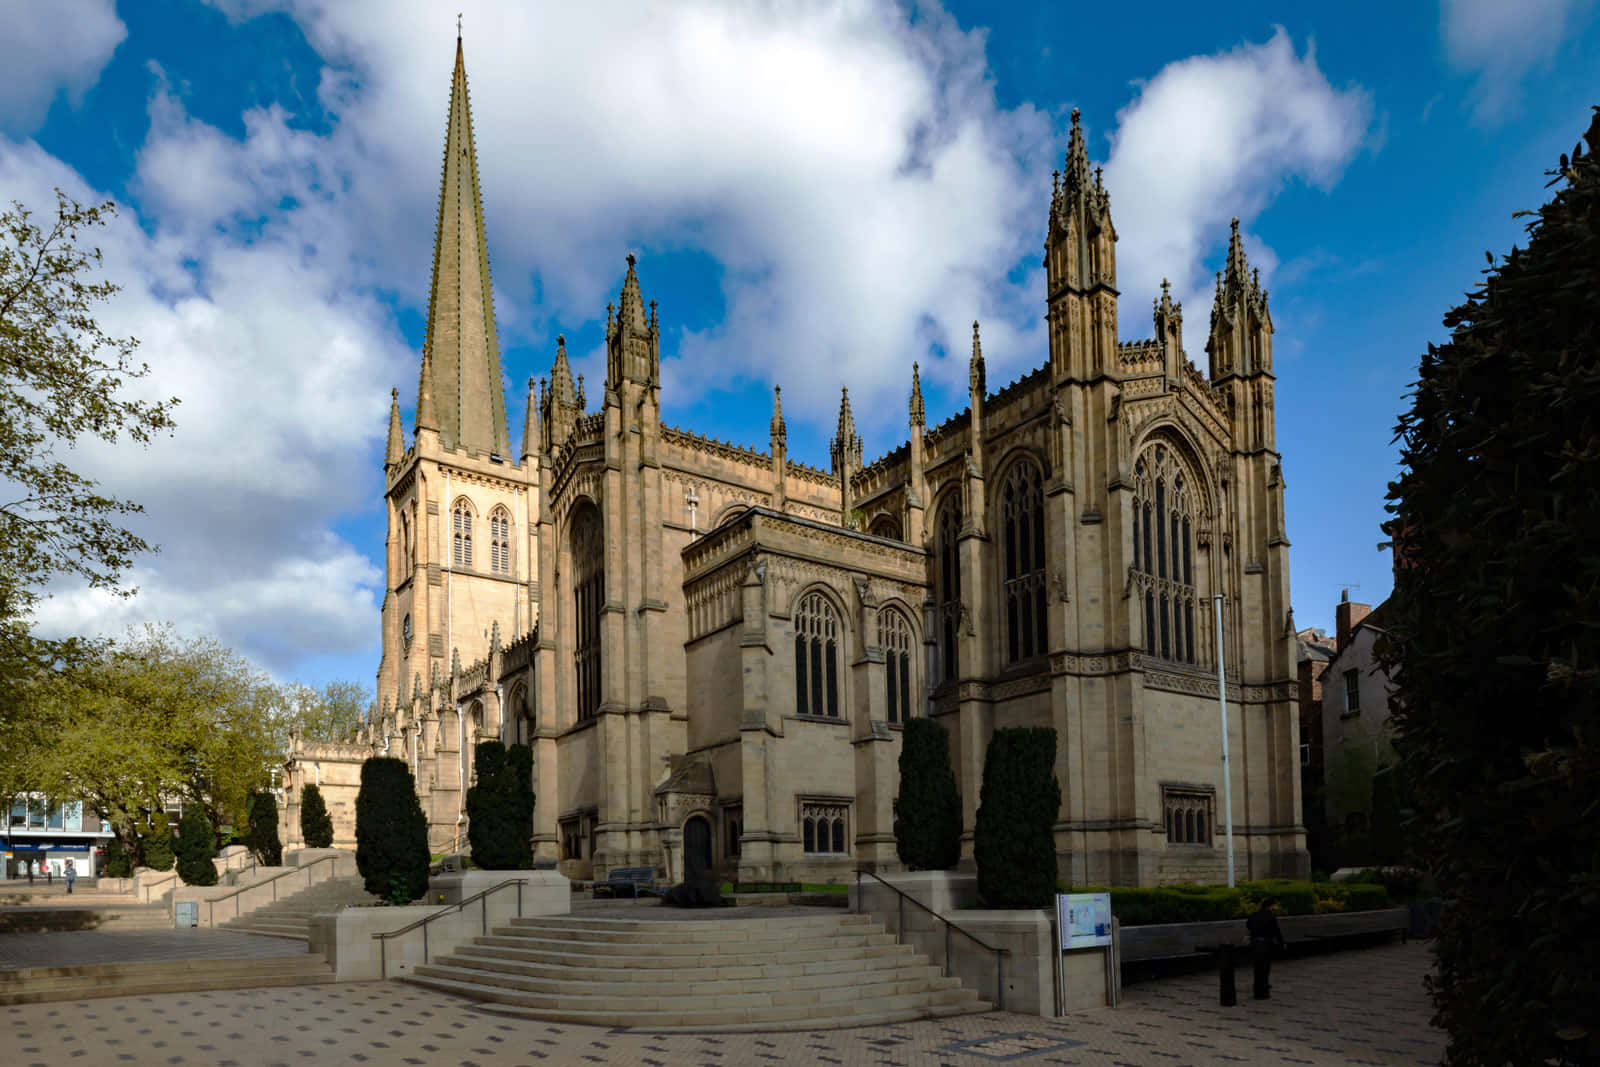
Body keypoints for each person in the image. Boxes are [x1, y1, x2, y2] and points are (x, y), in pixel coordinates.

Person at [1246, 896, 1287, 1000]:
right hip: (1266, 944)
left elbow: (1248, 926)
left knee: (1257, 968)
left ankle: (1257, 990)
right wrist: (1282, 943)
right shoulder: (1271, 916)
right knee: (1265, 968)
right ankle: (1263, 991)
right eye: (1274, 906)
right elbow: (1276, 931)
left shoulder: (1253, 915)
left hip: (1255, 944)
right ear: (1271, 906)